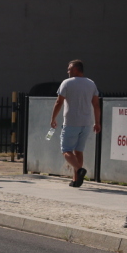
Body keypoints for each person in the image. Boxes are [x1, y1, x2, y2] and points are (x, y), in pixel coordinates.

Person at [49, 59, 100, 187]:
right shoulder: (91, 83)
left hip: (71, 122)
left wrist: (53, 118)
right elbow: (96, 104)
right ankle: (76, 180)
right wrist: (97, 122)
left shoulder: (67, 83)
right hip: (87, 123)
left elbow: (59, 102)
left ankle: (79, 170)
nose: (68, 71)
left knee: (66, 150)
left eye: (70, 68)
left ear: (76, 69)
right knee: (79, 151)